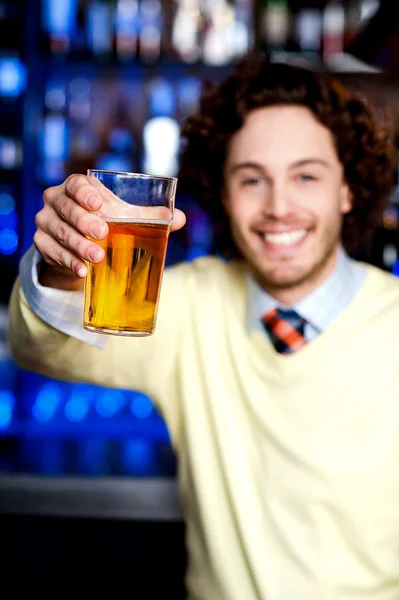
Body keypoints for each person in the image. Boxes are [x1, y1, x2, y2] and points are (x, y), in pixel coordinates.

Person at [8, 54, 399, 599]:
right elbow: (41, 351)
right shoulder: (191, 303)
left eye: (306, 176)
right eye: (252, 179)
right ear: (223, 193)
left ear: (347, 189)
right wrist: (59, 268)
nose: (279, 206)